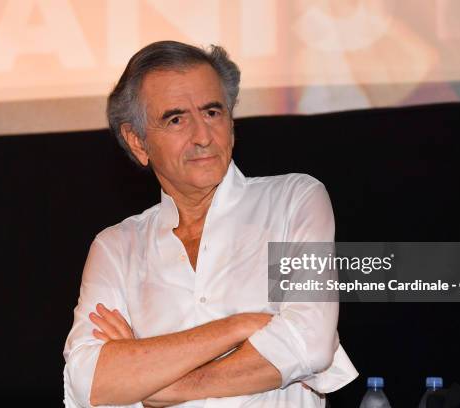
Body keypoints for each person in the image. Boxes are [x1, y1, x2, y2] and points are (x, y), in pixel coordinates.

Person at [63, 40, 358, 408]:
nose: (203, 136)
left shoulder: (293, 200)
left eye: (213, 112)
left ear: (232, 123)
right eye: (176, 119)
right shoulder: (117, 246)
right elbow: (86, 383)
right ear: (138, 142)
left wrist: (155, 381)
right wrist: (237, 327)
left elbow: (310, 343)